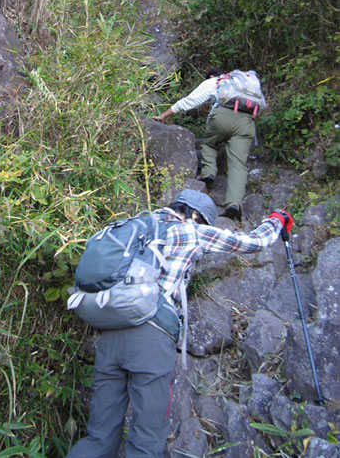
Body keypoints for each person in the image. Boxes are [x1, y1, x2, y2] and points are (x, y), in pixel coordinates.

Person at [65, 189, 293, 458]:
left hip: (110, 336)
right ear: (194, 215)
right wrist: (276, 220)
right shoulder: (189, 231)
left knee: (99, 439)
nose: (203, 227)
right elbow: (252, 242)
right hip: (151, 339)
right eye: (204, 222)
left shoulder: (137, 225)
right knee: (146, 443)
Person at [154, 69, 256, 221]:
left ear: (213, 76)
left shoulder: (215, 81)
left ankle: (208, 172)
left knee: (209, 144)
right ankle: (234, 203)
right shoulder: (248, 88)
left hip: (222, 116)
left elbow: (190, 101)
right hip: (246, 122)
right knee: (238, 165)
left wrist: (164, 115)